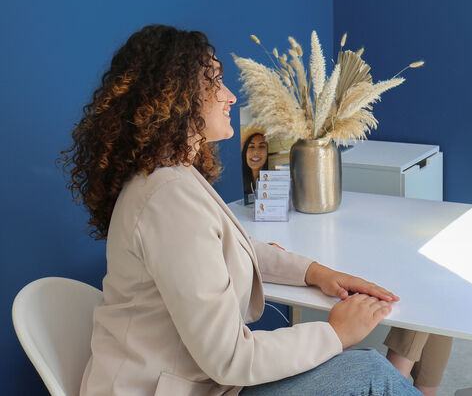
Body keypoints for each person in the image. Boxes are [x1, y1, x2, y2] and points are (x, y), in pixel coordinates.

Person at [62, 25, 419, 396]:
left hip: (200, 383)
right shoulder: (168, 198)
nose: (230, 96)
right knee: (371, 373)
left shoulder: (170, 177)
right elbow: (231, 358)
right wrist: (335, 333)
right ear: (177, 96)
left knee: (368, 370)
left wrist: (316, 273)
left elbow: (234, 246)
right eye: (216, 83)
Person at [242, 132, 268, 202]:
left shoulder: (274, 182)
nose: (256, 151)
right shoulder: (238, 181)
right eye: (251, 147)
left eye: (261, 146)